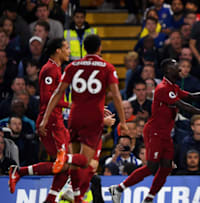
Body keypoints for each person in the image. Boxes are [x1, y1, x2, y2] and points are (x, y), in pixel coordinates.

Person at [38, 34, 127, 203]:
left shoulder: (72, 66)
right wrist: (121, 122)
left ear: (84, 48)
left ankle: (73, 192)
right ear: (100, 48)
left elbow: (57, 94)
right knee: (86, 162)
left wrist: (46, 117)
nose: (69, 50)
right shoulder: (106, 67)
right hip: (92, 119)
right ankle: (68, 174)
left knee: (78, 161)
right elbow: (115, 95)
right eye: (66, 47)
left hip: (75, 117)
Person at [108, 58, 200, 203]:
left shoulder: (172, 87)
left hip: (164, 133)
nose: (179, 69)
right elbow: (183, 105)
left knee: (166, 167)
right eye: (176, 66)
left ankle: (149, 198)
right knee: (151, 167)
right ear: (168, 70)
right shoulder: (163, 88)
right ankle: (119, 188)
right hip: (154, 132)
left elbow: (191, 96)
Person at [8, 38, 85, 203]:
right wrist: (71, 104)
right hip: (50, 121)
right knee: (64, 164)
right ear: (57, 50)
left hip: (56, 120)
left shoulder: (56, 68)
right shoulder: (50, 69)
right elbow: (47, 98)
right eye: (66, 47)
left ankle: (53, 199)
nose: (69, 51)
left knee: (66, 163)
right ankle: (19, 172)